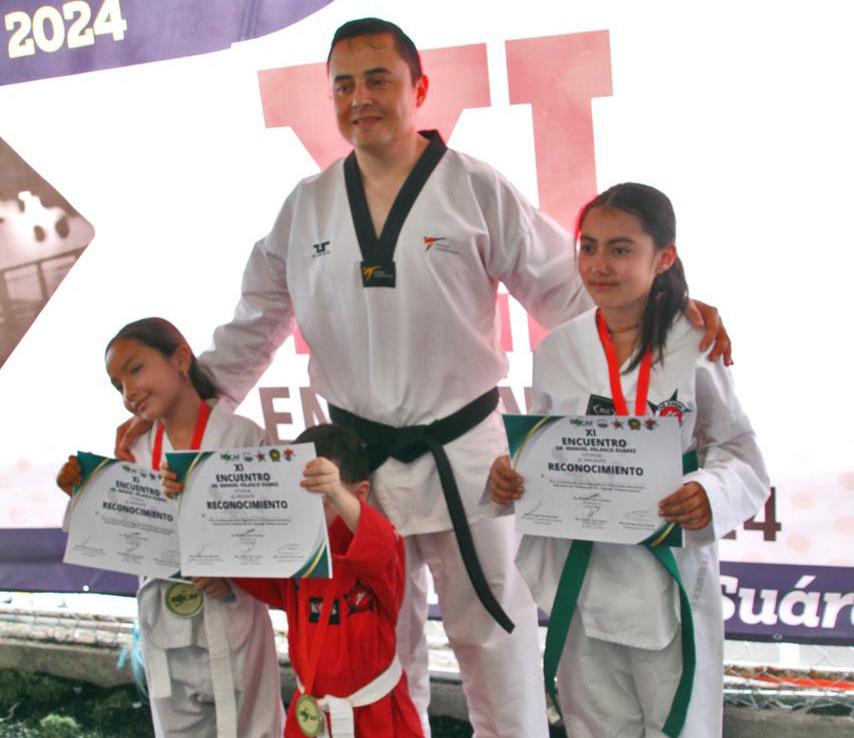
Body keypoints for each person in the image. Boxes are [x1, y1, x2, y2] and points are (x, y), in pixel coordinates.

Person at [116, 19, 731, 737]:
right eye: (344, 85)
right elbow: (255, 323)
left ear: (419, 87)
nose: (360, 98)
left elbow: (569, 290)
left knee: (495, 642)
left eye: (378, 79)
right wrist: (181, 408)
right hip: (354, 470)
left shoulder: (474, 188)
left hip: (465, 456)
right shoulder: (306, 206)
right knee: (375, 649)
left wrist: (666, 308)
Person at [489, 182, 769, 737]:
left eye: (621, 249)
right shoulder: (558, 351)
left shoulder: (694, 344)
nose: (599, 265)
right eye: (588, 247)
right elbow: (545, 447)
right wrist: (508, 476)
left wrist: (709, 492)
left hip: (669, 576)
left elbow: (738, 451)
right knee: (593, 726)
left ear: (663, 257)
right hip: (585, 575)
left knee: (681, 725)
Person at [57, 318, 285, 738]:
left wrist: (234, 574)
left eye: (136, 369)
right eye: (118, 384)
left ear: (180, 359)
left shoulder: (243, 438)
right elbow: (117, 536)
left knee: (256, 730)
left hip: (233, 618)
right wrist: (82, 492)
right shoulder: (135, 450)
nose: (129, 391)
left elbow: (275, 535)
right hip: (166, 628)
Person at [211, 423, 422, 738]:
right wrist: (221, 571)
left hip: (376, 716)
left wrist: (336, 493)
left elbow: (380, 546)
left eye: (322, 498)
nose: (308, 509)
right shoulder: (295, 550)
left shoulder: (381, 548)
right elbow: (253, 568)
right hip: (311, 714)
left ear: (360, 494)